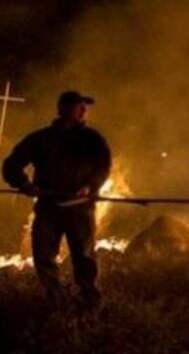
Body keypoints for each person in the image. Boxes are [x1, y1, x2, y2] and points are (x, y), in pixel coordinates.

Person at [2, 90, 111, 308]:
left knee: (84, 257)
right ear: (62, 109)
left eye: (85, 106)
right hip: (48, 208)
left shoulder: (93, 139)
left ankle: (90, 301)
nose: (84, 110)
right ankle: (56, 300)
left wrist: (90, 186)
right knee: (44, 257)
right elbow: (11, 165)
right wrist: (24, 184)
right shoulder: (40, 139)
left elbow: (103, 167)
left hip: (80, 210)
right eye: (78, 105)